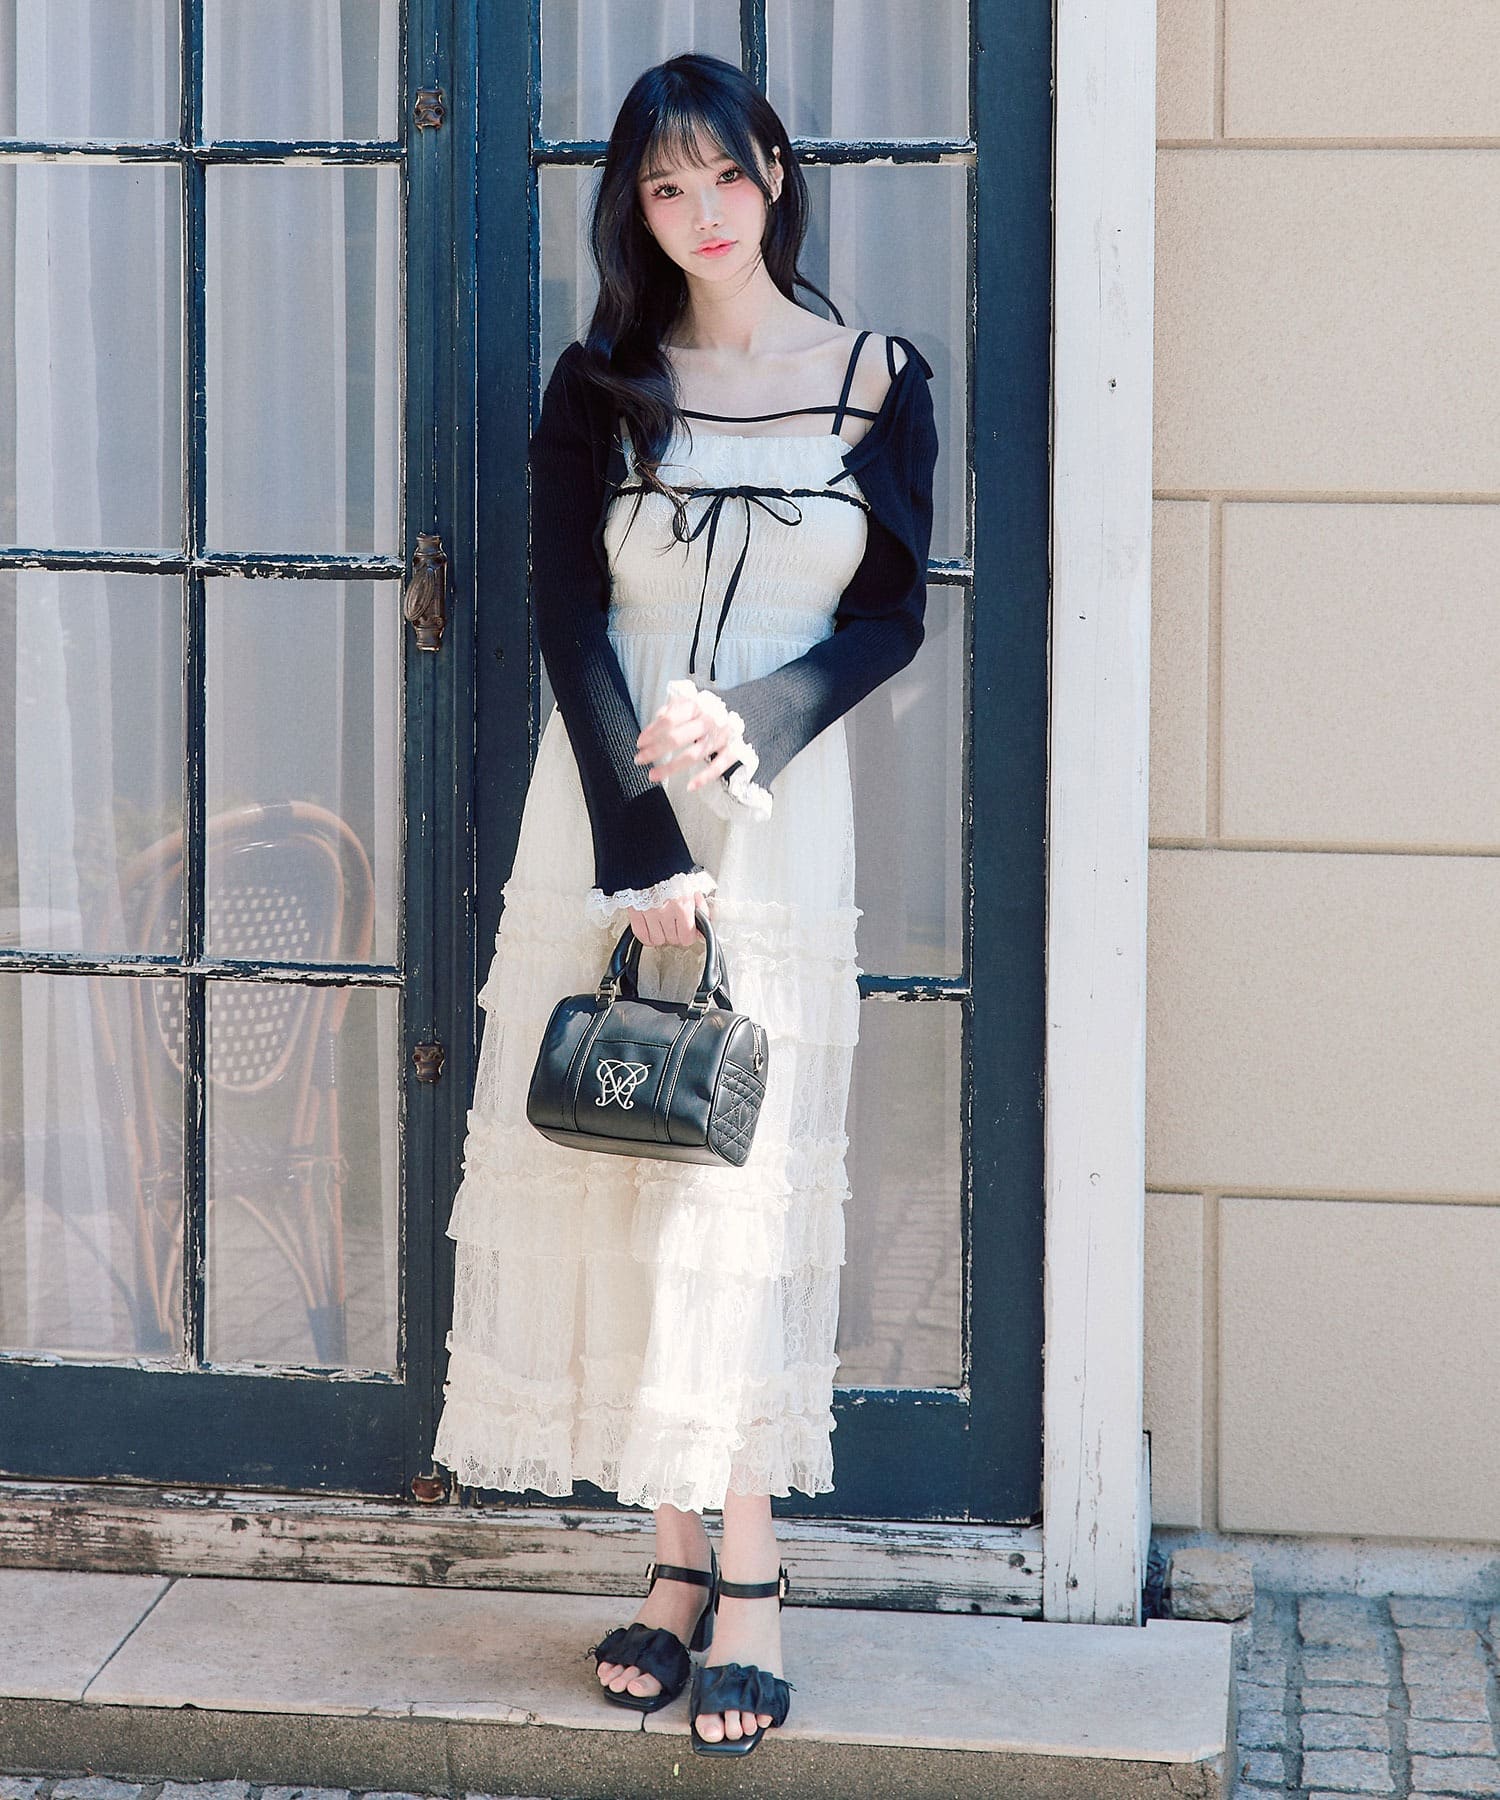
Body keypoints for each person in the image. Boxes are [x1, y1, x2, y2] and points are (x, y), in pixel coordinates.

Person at [430, 51, 937, 1758]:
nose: (702, 211)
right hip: (607, 810)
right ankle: (671, 1562)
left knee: (739, 1182)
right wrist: (640, 849)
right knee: (625, 1166)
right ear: (633, 213)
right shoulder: (602, 384)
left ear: (775, 172)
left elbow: (891, 617)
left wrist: (756, 722)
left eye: (725, 173)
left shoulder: (876, 380)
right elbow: (568, 617)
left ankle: (755, 1576)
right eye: (664, 187)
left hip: (778, 826)